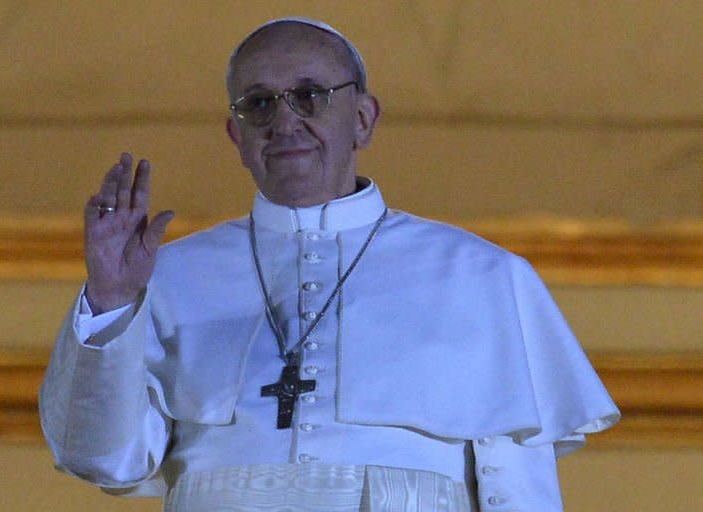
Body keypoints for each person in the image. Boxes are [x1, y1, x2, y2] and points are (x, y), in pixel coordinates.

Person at [39, 17, 620, 512]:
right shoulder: (163, 277)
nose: (284, 121)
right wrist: (112, 301)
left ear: (363, 119)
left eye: (311, 94)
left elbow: (516, 487)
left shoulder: (484, 276)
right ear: (236, 135)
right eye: (258, 104)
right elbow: (105, 461)